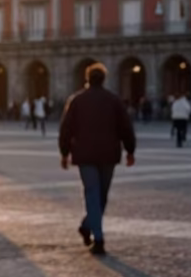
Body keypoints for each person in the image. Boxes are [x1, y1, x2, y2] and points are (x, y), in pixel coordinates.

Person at [58, 62, 136, 257]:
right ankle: (98, 239)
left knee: (95, 195)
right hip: (109, 154)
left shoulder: (76, 100)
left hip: (85, 154)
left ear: (87, 79)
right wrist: (130, 150)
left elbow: (65, 129)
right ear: (104, 79)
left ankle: (87, 226)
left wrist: (64, 152)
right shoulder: (114, 100)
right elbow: (126, 127)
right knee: (100, 195)